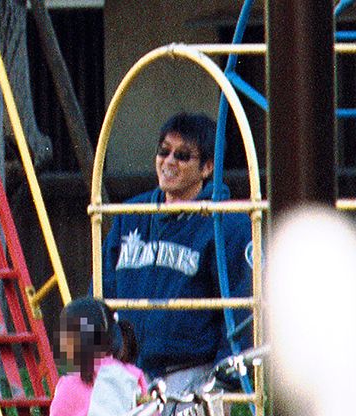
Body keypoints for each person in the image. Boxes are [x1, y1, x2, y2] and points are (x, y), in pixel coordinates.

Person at [101, 112, 253, 396]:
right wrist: (84, 369)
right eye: (164, 152)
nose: (169, 162)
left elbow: (241, 308)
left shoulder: (227, 222)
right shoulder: (130, 215)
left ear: (207, 167)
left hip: (193, 377)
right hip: (129, 377)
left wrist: (225, 385)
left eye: (183, 156)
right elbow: (100, 292)